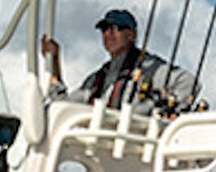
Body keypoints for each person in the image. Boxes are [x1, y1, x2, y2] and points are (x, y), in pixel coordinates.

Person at [41, 7, 198, 116]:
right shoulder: (97, 79)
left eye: (115, 28)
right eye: (104, 29)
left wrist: (161, 108)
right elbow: (63, 106)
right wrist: (54, 60)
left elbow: (189, 82)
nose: (108, 34)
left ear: (131, 35)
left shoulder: (150, 67)